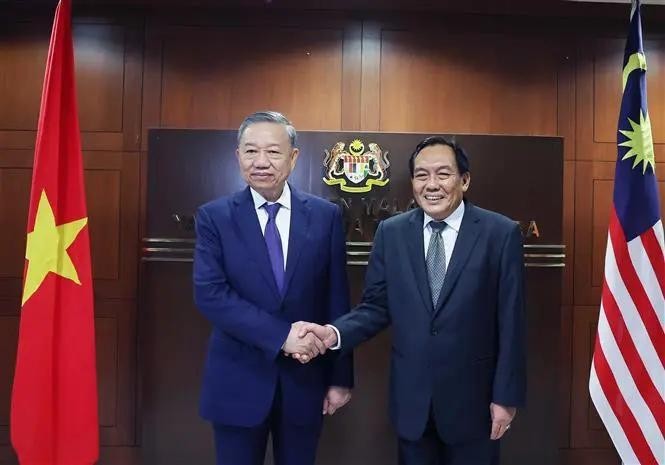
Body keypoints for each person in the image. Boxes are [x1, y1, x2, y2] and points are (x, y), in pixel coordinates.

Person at [295, 136, 526, 465]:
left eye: (443, 174)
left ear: (464, 180)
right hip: (412, 404)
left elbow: (512, 321)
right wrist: (334, 334)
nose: (431, 185)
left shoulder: (499, 233)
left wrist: (506, 397)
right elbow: (376, 307)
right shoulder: (392, 232)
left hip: (475, 404)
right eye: (421, 175)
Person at [193, 111, 353, 465]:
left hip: (305, 381)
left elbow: (336, 299)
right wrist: (283, 336)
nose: (261, 162)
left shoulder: (325, 216)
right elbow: (211, 294)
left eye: (273, 152)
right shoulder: (214, 217)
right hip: (237, 380)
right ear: (238, 157)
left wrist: (341, 377)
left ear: (294, 157)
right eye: (250, 152)